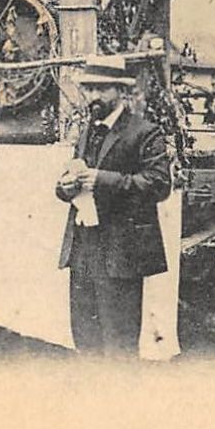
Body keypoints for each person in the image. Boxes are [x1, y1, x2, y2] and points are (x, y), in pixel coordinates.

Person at [54, 57, 173, 357]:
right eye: (89, 89)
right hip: (82, 251)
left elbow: (159, 184)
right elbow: (67, 182)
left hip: (120, 253)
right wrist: (65, 187)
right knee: (85, 339)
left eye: (102, 89)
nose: (94, 97)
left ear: (121, 91)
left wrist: (102, 180)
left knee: (119, 344)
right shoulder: (86, 131)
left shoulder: (145, 132)